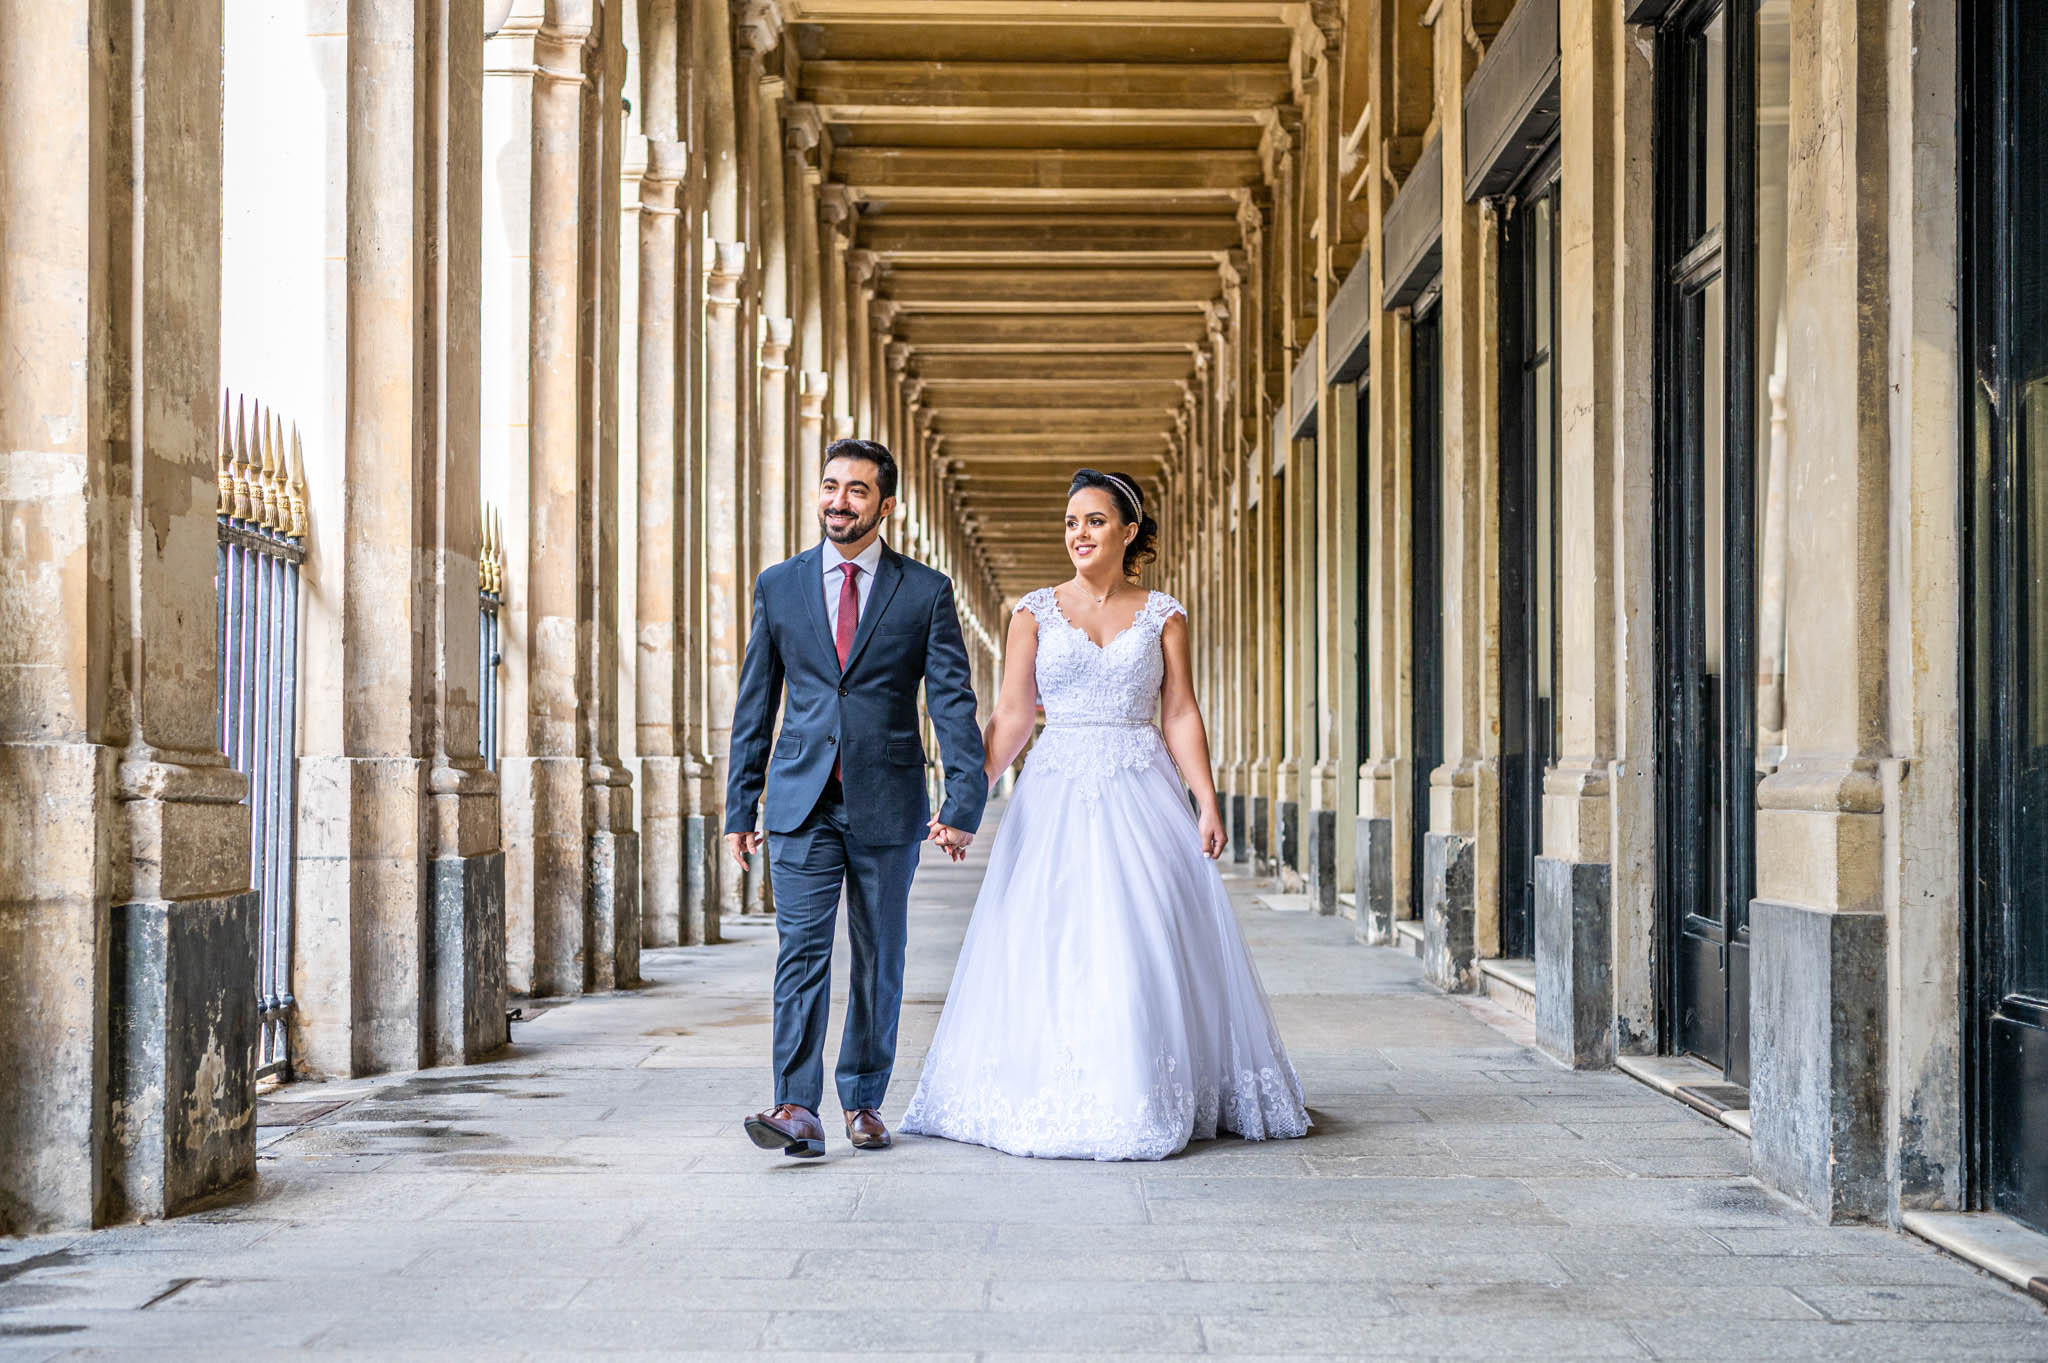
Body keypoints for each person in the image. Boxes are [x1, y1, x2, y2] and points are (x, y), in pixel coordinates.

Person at [899, 469, 1309, 1160]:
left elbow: (1178, 710)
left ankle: (1142, 1084)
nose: (1078, 534)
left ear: (1128, 530)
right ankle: (1048, 1082)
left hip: (1140, 786)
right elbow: (1010, 715)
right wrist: (963, 800)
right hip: (1055, 787)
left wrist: (1206, 799)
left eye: (1093, 520)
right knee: (1049, 931)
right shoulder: (1032, 611)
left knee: (1141, 932)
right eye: (1070, 523)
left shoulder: (1163, 614)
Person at [724, 438, 987, 1158]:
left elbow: (954, 704)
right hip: (801, 801)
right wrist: (738, 808)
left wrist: (963, 800)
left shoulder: (925, 590)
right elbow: (757, 702)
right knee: (800, 950)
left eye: (857, 490)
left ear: (886, 505)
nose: (839, 500)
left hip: (888, 799)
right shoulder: (780, 585)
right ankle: (795, 1104)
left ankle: (864, 1099)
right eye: (831, 486)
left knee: (880, 954)